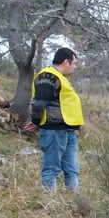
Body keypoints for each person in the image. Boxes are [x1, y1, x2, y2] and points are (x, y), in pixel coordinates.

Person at [24, 48, 84, 193]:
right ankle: (48, 205)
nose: (75, 66)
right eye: (74, 63)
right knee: (51, 168)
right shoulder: (47, 76)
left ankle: (73, 202)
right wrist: (37, 122)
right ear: (66, 62)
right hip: (54, 131)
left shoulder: (60, 77)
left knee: (72, 169)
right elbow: (38, 103)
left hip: (67, 131)